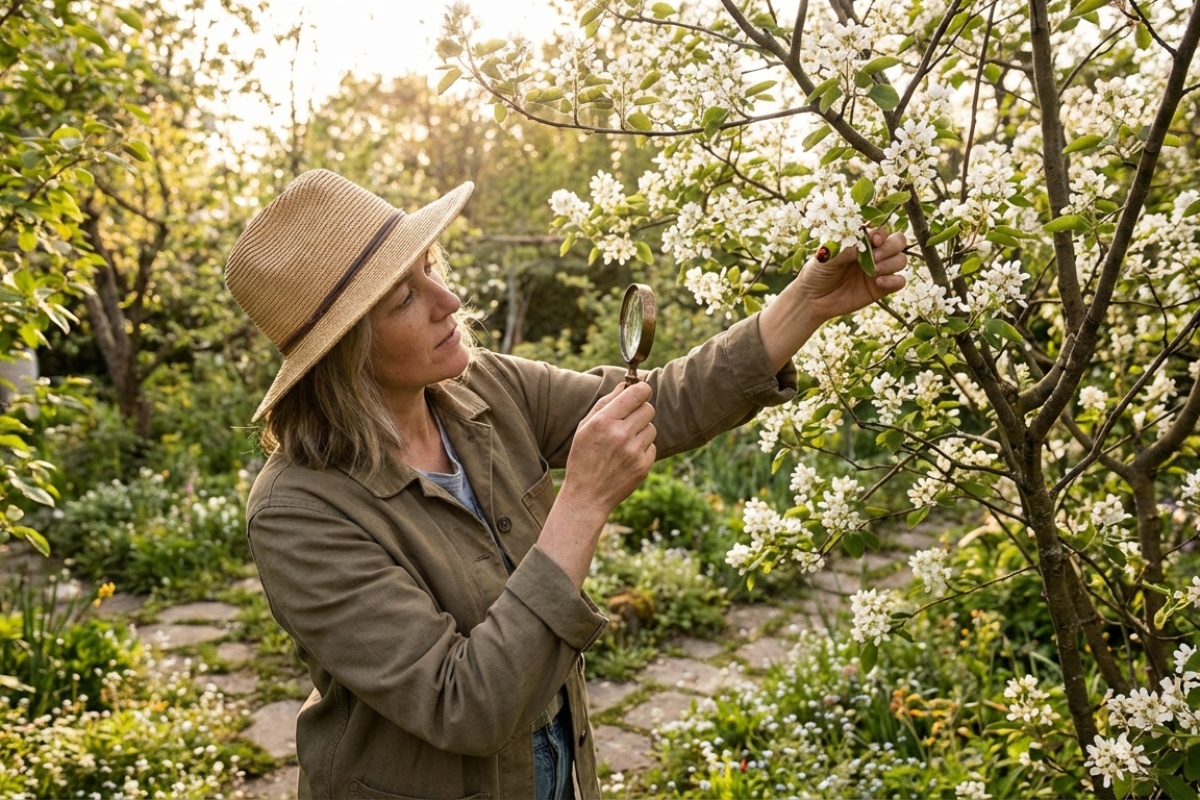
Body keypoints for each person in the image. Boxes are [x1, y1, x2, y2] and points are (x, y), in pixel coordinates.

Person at [224, 168, 907, 800]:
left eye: (430, 269)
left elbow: (656, 405)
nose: (449, 300)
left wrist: (806, 305)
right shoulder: (300, 512)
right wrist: (582, 501)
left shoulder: (480, 387)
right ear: (346, 350)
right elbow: (464, 705)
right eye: (405, 297)